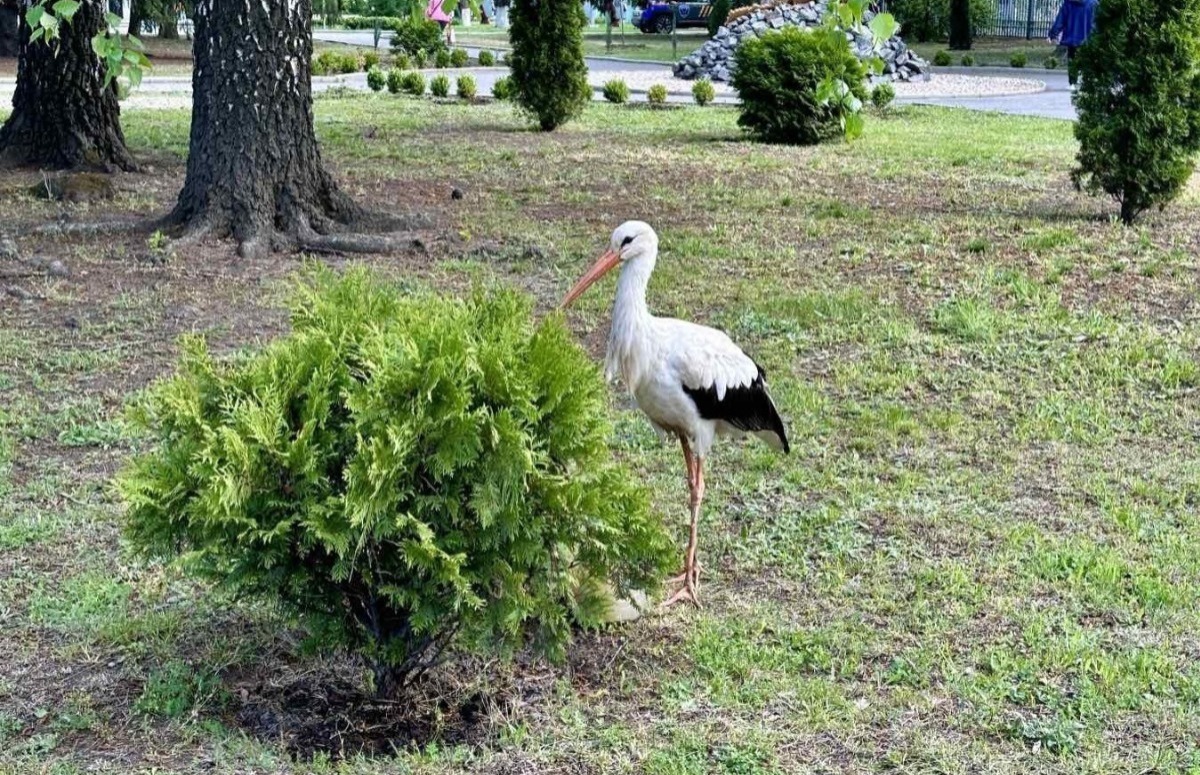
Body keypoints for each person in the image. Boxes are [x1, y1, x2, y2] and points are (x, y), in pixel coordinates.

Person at [1048, 0, 1098, 88]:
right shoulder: (1094, 3)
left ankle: (1072, 83)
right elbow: (1097, 21)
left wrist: (1053, 34)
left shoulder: (1068, 3)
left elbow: (1061, 19)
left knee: (1072, 60)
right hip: (1088, 38)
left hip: (1072, 38)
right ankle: (1086, 82)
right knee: (1088, 61)